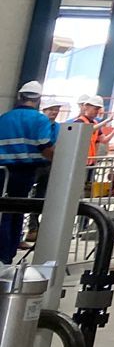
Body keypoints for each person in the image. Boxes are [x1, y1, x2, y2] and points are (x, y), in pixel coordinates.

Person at [0, 81, 56, 262]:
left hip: (3, 171)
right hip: (25, 171)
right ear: (38, 99)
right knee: (17, 210)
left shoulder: (5, 118)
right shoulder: (40, 120)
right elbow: (44, 145)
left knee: (4, 209)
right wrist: (58, 161)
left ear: (20, 96)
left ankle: (4, 254)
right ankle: (7, 254)